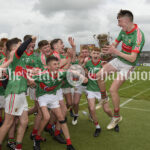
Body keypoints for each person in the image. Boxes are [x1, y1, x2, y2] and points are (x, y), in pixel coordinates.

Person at [96, 9, 145, 130]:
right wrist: (108, 49)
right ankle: (103, 98)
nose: (118, 24)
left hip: (128, 64)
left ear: (127, 20)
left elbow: (133, 58)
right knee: (99, 76)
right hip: (119, 59)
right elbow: (115, 44)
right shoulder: (123, 30)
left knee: (113, 90)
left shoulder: (139, 36)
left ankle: (116, 116)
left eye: (119, 21)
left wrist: (116, 52)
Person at [30, 56, 87, 150]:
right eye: (54, 64)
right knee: (46, 117)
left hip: (53, 97)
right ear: (48, 66)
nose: (57, 66)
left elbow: (71, 72)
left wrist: (81, 76)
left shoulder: (60, 73)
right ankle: (37, 138)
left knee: (61, 118)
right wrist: (31, 80)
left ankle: (69, 144)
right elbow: (30, 79)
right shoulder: (43, 75)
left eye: (58, 64)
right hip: (43, 97)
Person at [0, 36, 36, 150]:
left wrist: (30, 81)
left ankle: (18, 147)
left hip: (21, 94)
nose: (22, 47)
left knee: (24, 121)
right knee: (8, 123)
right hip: (13, 94)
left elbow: (22, 76)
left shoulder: (20, 60)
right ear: (14, 48)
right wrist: (30, 39)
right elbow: (20, 50)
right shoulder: (15, 56)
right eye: (20, 44)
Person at [85, 47, 113, 137]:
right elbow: (84, 71)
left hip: (101, 91)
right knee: (92, 109)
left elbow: (111, 73)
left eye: (97, 53)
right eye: (94, 53)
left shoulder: (102, 63)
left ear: (100, 54)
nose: (96, 55)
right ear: (91, 54)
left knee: (107, 110)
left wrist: (106, 68)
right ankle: (97, 127)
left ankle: (114, 120)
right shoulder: (88, 63)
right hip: (90, 90)